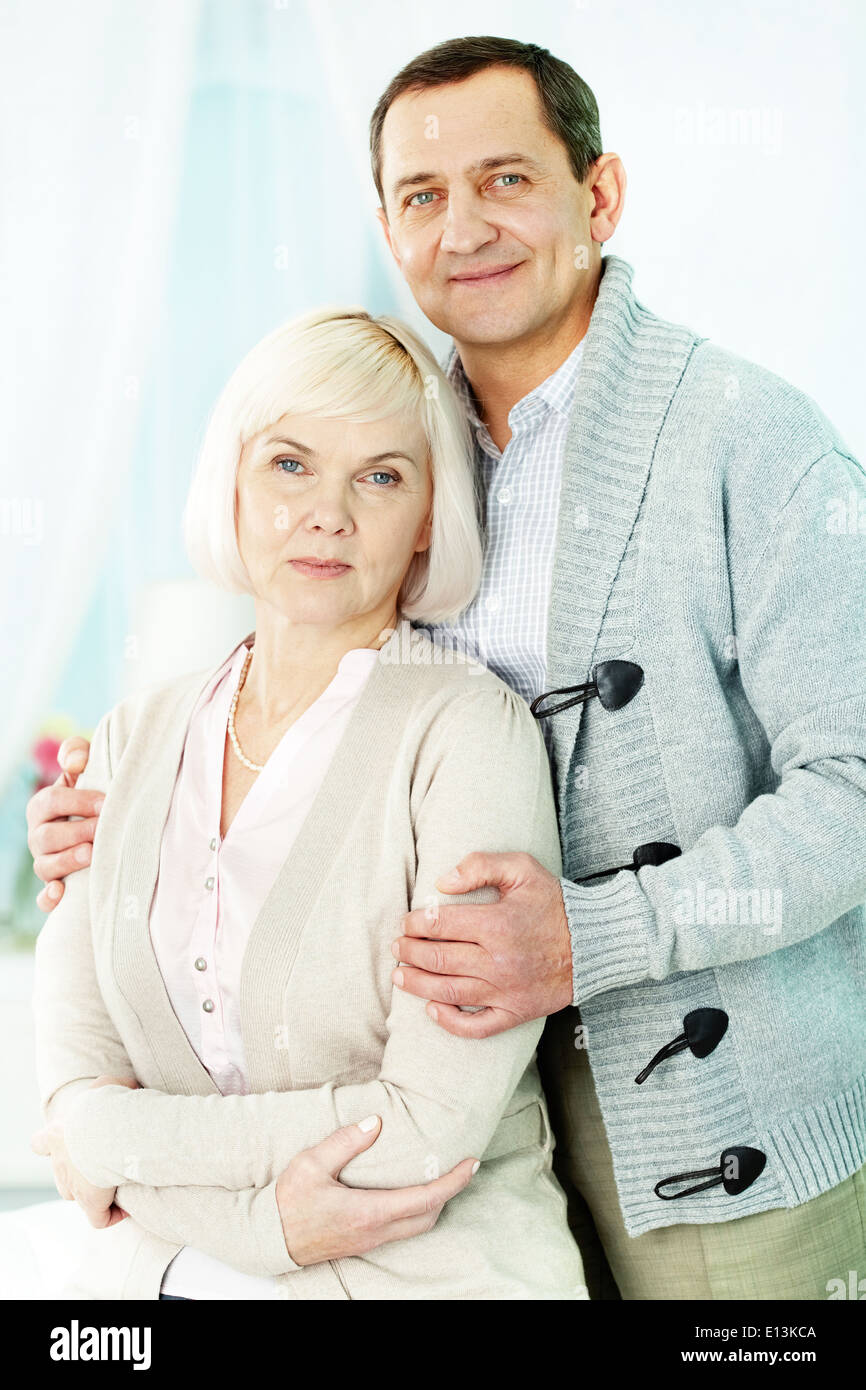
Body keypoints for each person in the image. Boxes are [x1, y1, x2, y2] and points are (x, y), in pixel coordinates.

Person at [29, 35, 866, 1300]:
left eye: (505, 179)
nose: (462, 226)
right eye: (422, 195)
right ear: (385, 222)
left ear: (598, 197)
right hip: (488, 1155)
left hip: (720, 1136)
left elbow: (855, 791)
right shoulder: (395, 440)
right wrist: (130, 820)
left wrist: (589, 936)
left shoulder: (747, 438)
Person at [24, 305, 588, 1301]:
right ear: (232, 483)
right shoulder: (125, 742)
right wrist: (265, 1223)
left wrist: (116, 1146)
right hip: (179, 1279)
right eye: (289, 463)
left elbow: (422, 1133)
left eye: (380, 475)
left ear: (425, 518)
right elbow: (73, 1077)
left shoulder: (466, 736)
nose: (328, 511)